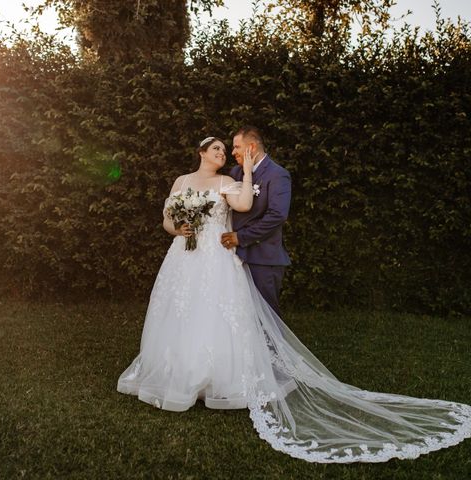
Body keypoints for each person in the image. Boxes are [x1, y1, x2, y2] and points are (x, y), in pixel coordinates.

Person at [117, 136, 471, 463]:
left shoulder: (228, 181)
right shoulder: (181, 181)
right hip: (183, 255)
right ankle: (175, 376)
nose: (223, 155)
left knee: (215, 315)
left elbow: (243, 202)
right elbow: (167, 217)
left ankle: (215, 381)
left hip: (215, 257)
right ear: (201, 152)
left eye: (226, 151)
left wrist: (251, 169)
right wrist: (176, 229)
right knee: (181, 312)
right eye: (217, 150)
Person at [222, 126, 291, 317]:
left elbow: (277, 215)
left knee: (266, 316)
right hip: (233, 257)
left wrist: (241, 237)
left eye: (236, 147)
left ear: (251, 147)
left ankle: (271, 348)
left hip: (263, 257)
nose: (232, 152)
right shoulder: (235, 173)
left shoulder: (278, 174)